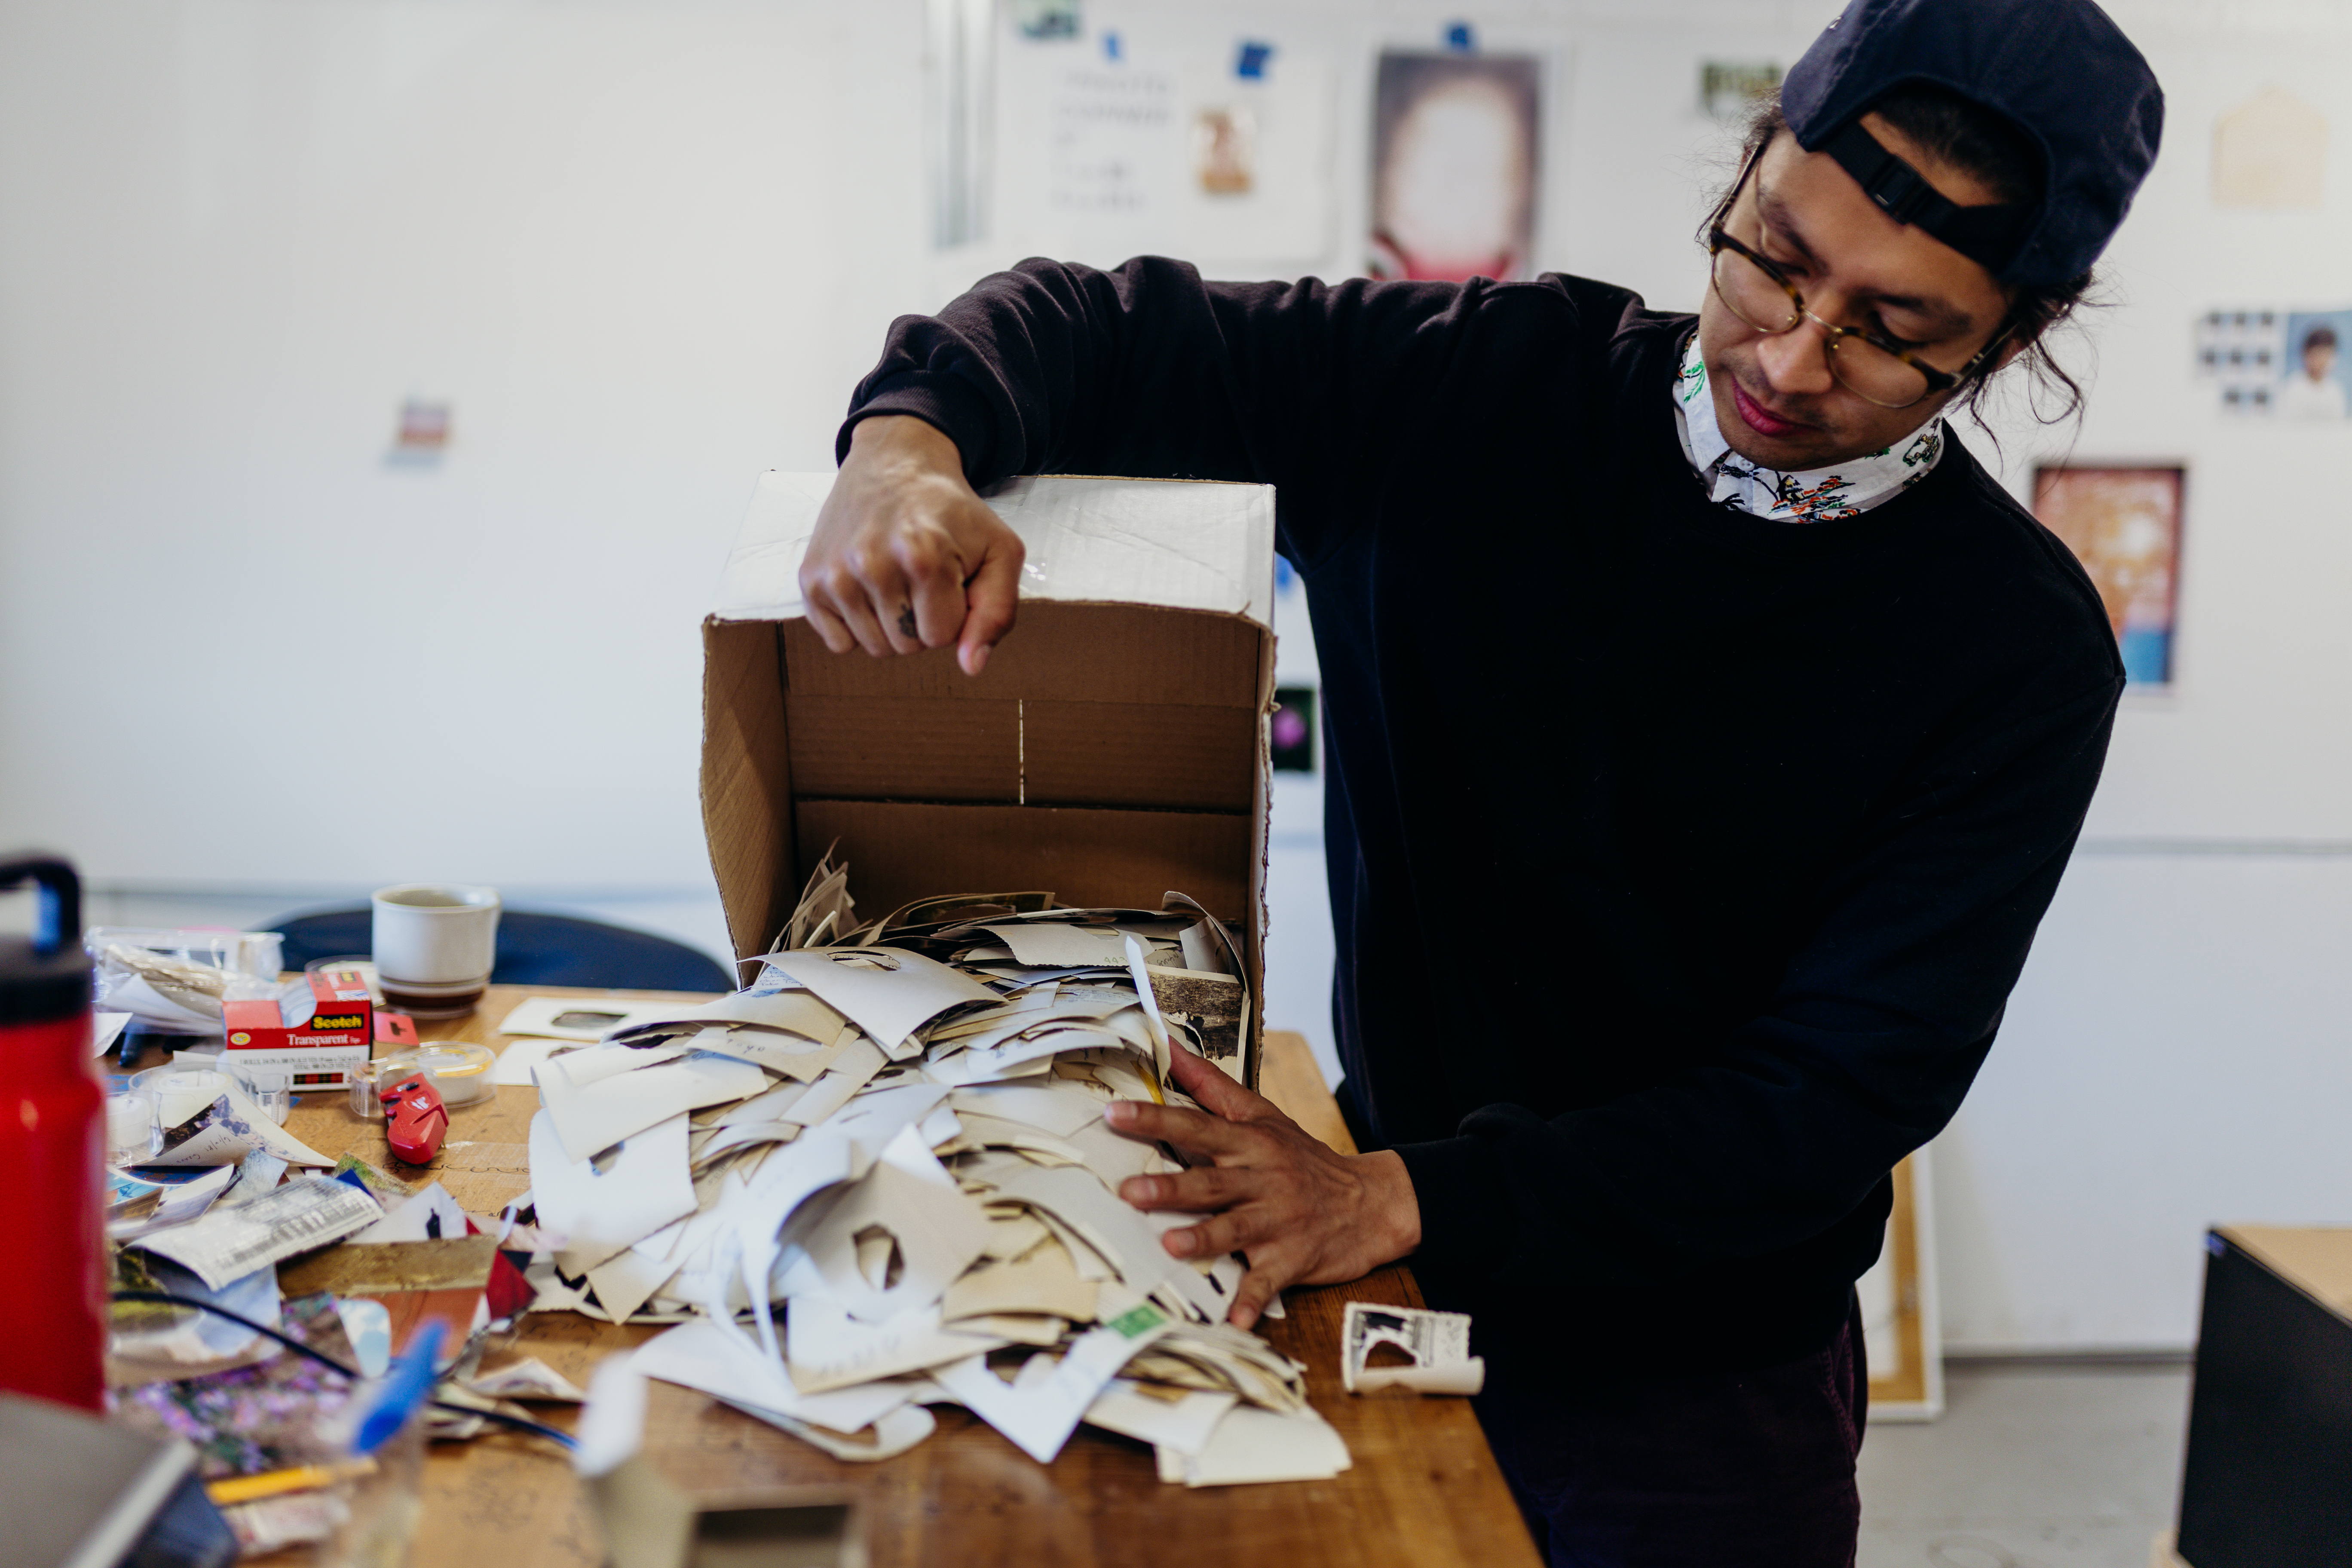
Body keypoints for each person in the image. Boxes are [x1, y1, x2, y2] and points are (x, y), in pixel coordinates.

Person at [797, 0, 2162, 1561]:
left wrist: (1407, 1192)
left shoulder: (2010, 651)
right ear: (1744, 169)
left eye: (1894, 328)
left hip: (1691, 1369)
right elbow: (1098, 325)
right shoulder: (1473, 391)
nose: (1789, 357)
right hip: (1353, 1255)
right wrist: (909, 441)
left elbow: (1833, 1092)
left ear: (2013, 332)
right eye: (1771, 256)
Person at [2277, 323, 2346, 419]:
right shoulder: (2293, 388)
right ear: (2306, 355)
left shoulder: (2335, 390)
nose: (2323, 361)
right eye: (2319, 355)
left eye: (2328, 355)